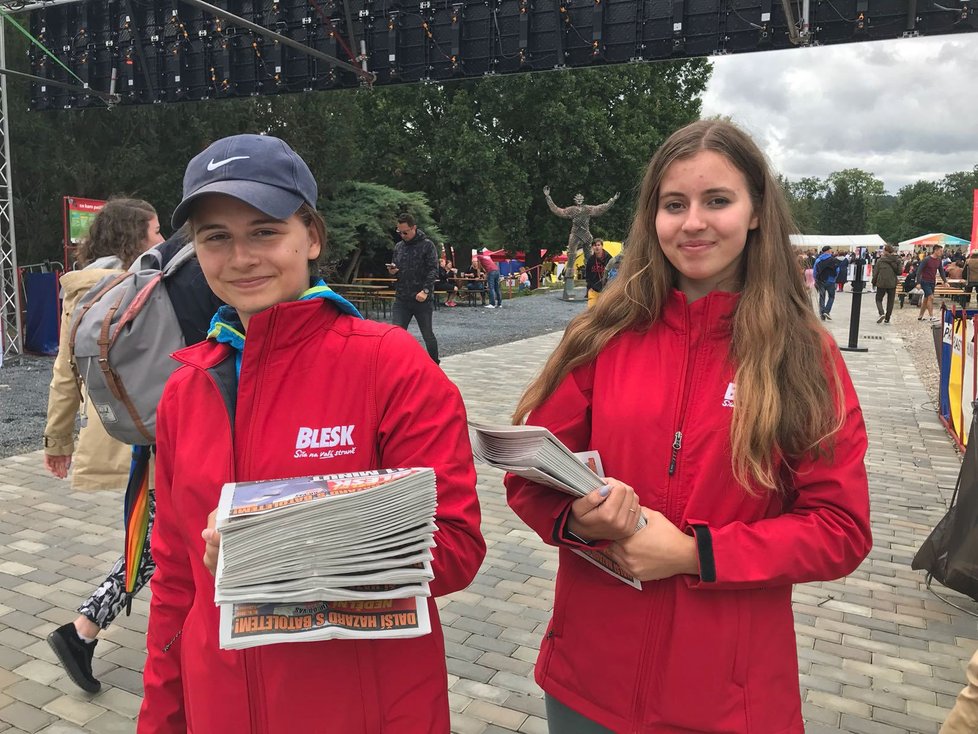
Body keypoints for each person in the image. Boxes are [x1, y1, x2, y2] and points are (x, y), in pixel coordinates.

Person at [504, 120, 872, 733]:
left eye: (717, 201)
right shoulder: (601, 335)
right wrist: (576, 518)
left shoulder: (803, 354)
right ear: (653, 217)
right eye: (674, 204)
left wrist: (695, 554)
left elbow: (840, 530)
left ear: (756, 211)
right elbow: (530, 475)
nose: (693, 222)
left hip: (726, 699)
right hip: (586, 685)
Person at [139, 134, 485, 732]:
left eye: (265, 230)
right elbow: (174, 580)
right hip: (218, 706)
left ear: (312, 238)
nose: (241, 256)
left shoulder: (391, 364)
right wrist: (161, 719)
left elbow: (455, 548)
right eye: (215, 236)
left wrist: (280, 550)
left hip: (360, 710)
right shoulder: (185, 388)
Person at [43, 198, 165, 693]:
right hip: (157, 436)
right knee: (157, 541)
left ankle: (85, 631)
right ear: (132, 238)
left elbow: (63, 375)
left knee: (160, 537)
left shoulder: (81, 291)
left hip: (131, 434)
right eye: (155, 231)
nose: (161, 240)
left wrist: (59, 438)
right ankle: (82, 630)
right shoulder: (145, 287)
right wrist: (56, 441)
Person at [387, 213, 440, 362]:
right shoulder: (399, 247)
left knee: (427, 335)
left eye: (405, 232)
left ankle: (435, 365)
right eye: (399, 232)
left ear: (414, 228)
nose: (403, 235)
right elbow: (396, 269)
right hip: (402, 298)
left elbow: (433, 270)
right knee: (396, 334)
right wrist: (393, 272)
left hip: (421, 298)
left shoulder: (427, 245)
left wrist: (426, 291)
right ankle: (396, 365)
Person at [917, 245, 949, 322]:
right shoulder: (926, 259)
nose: (942, 253)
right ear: (935, 250)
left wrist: (945, 281)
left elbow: (941, 271)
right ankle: (931, 316)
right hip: (925, 281)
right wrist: (918, 282)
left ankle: (920, 316)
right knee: (931, 297)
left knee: (926, 299)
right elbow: (919, 271)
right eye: (940, 251)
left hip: (932, 281)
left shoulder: (938, 260)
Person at [872, 244, 902, 324]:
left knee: (878, 299)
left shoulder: (880, 260)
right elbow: (899, 272)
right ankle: (887, 318)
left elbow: (876, 273)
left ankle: (881, 313)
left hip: (881, 282)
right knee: (890, 301)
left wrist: (873, 282)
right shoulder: (897, 260)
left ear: (886, 251)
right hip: (892, 283)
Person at [813, 245, 841, 320]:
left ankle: (822, 314)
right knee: (831, 297)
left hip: (821, 281)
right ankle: (827, 311)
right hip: (831, 281)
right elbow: (838, 270)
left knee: (822, 297)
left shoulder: (818, 260)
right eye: (831, 250)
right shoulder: (833, 260)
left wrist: (815, 279)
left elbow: (815, 271)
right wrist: (834, 278)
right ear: (828, 251)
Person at [584, 238, 611, 308]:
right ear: (592, 247)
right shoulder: (591, 259)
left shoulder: (609, 258)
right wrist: (589, 287)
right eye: (595, 245)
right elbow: (588, 274)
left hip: (606, 289)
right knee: (591, 309)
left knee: (604, 309)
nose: (597, 247)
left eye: (598, 245)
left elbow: (613, 273)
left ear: (602, 246)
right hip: (594, 289)